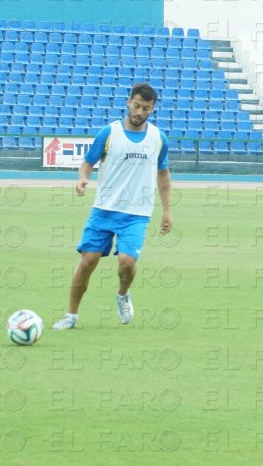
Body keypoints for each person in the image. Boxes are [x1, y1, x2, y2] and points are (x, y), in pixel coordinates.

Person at [53, 82, 173, 329]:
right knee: (87, 262)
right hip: (104, 210)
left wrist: (167, 210)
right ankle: (71, 315)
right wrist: (83, 178)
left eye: (146, 108)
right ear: (128, 102)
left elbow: (163, 174)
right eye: (137, 105)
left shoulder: (158, 138)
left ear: (152, 109)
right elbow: (88, 162)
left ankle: (122, 294)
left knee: (127, 262)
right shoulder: (109, 133)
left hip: (137, 213)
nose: (139, 112)